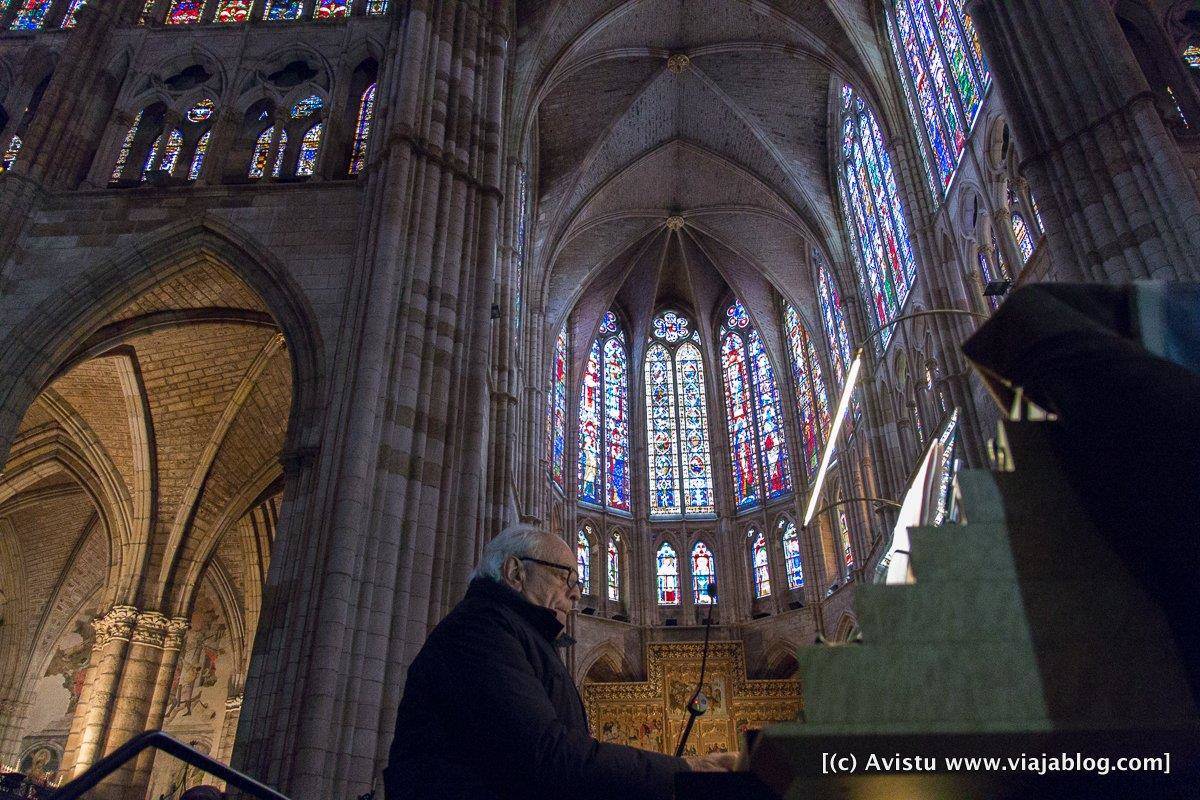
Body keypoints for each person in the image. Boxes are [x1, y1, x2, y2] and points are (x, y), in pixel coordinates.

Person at [383, 525, 737, 799]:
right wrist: (683, 770)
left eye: (578, 583)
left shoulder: (518, 634)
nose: (575, 593)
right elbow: (544, 757)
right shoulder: (480, 631)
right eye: (565, 577)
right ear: (515, 572)